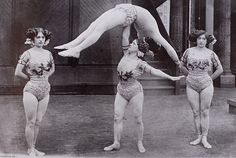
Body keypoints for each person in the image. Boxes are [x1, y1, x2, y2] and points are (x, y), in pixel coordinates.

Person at [103, 26, 184, 153]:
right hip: (121, 90)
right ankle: (116, 143)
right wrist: (128, 22)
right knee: (117, 117)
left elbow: (155, 71)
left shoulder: (140, 63)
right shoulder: (125, 53)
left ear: (139, 48)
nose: (130, 44)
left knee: (138, 119)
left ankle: (140, 142)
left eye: (134, 43)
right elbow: (124, 36)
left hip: (135, 91)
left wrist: (171, 77)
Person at [54, 3, 180, 66]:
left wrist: (126, 53)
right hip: (126, 11)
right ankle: (72, 45)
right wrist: (178, 63)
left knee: (98, 27)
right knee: (94, 25)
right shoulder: (154, 33)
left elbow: (125, 37)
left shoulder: (143, 35)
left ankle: (77, 49)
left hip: (128, 12)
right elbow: (169, 47)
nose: (137, 42)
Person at [180, 29, 223, 149]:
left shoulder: (210, 53)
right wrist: (188, 74)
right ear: (195, 40)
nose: (201, 41)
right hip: (191, 83)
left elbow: (220, 69)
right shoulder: (188, 51)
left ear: (207, 41)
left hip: (206, 84)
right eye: (199, 38)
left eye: (204, 39)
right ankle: (198, 136)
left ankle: (205, 137)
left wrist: (210, 78)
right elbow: (181, 65)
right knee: (195, 112)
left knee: (204, 111)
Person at [15, 27, 55, 156]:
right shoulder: (28, 53)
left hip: (45, 89)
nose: (41, 40)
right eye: (38, 37)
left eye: (43, 37)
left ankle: (34, 147)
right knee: (31, 121)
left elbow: (52, 69)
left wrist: (45, 77)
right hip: (31, 90)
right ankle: (30, 149)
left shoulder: (48, 53)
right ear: (32, 39)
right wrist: (31, 79)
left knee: (38, 121)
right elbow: (17, 72)